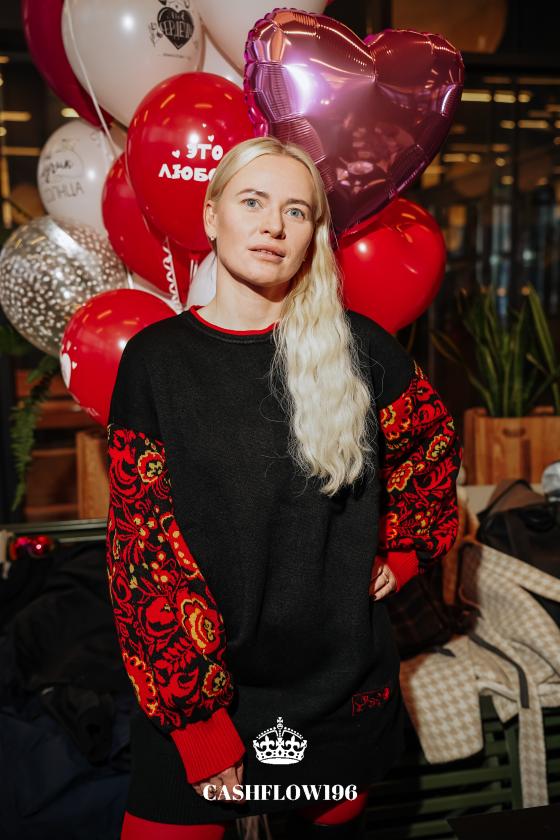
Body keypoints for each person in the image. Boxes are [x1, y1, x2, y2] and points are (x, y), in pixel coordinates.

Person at [106, 136, 463, 839]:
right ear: (211, 216)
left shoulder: (361, 348)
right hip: (200, 697)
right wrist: (201, 727)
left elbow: (432, 450)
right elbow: (143, 552)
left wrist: (403, 554)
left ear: (312, 236)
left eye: (296, 211)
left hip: (336, 694)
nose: (273, 225)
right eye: (253, 201)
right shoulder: (155, 362)